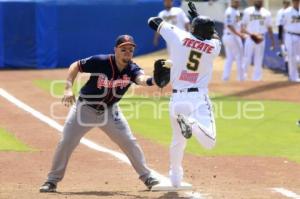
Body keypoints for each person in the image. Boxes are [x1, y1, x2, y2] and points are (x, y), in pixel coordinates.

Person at [39, 35, 160, 192]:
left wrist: (154, 80)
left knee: (129, 142)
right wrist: (68, 88)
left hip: (110, 111)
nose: (127, 52)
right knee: (66, 142)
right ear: (115, 50)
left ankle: (147, 177)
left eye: (130, 50)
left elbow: (142, 79)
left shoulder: (132, 69)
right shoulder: (101, 61)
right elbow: (75, 65)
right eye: (123, 49)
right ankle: (52, 181)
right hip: (84, 109)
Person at [148, 4, 221, 187]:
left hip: (177, 98)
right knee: (209, 142)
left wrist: (186, 25)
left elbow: (152, 21)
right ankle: (192, 123)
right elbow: (214, 36)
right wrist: (198, 18)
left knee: (177, 141)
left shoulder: (178, 35)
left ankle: (175, 178)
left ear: (193, 28)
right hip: (198, 98)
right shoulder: (213, 47)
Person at [241, 0, 275, 81]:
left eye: (260, 1)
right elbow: (242, 27)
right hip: (250, 37)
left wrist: (272, 40)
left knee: (259, 59)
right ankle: (242, 76)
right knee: (247, 58)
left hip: (261, 38)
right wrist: (251, 34)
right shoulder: (247, 11)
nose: (259, 1)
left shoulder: (267, 13)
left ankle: (257, 78)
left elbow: (269, 27)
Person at [222, 0, 245, 81]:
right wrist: (239, 34)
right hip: (232, 36)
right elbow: (229, 25)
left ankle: (225, 77)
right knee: (240, 57)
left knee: (230, 58)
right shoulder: (230, 11)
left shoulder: (236, 11)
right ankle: (241, 78)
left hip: (229, 36)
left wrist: (243, 33)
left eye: (238, 1)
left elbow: (239, 25)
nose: (238, 2)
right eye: (235, 1)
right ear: (232, 2)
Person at [280, 0, 300, 82]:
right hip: (290, 35)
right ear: (292, 1)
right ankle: (293, 77)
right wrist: (280, 39)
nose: (296, 2)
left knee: (298, 58)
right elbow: (281, 26)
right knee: (291, 56)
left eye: (297, 0)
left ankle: (295, 75)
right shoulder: (287, 12)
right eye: (294, 0)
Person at [276, 0, 290, 73]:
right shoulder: (280, 12)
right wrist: (280, 38)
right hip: (284, 33)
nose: (286, 4)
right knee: (285, 52)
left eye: (288, 3)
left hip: (292, 33)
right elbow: (279, 25)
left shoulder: (292, 11)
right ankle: (288, 70)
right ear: (283, 3)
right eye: (285, 3)